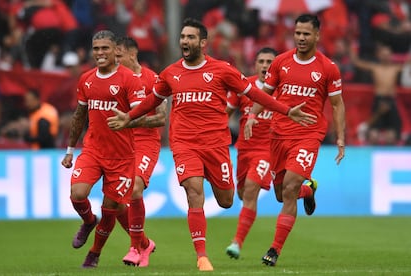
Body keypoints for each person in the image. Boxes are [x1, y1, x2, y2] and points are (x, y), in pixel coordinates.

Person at [107, 17, 317, 271]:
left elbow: (254, 94)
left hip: (216, 146)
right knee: (194, 192)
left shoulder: (222, 70)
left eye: (190, 37)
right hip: (184, 144)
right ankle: (202, 256)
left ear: (203, 42)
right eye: (183, 36)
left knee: (228, 200)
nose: (185, 41)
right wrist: (129, 116)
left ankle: (305, 190)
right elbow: (152, 100)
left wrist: (286, 110)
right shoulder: (171, 73)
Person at [244, 13, 345, 267]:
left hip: (308, 135)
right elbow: (265, 93)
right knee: (281, 194)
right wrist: (252, 116)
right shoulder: (280, 63)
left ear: (317, 36)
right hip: (278, 134)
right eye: (298, 33)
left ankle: (274, 250)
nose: (300, 37)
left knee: (288, 189)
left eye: (306, 33)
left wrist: (341, 138)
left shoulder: (328, 68)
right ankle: (308, 190)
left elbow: (337, 104)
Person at [61, 30, 144, 268]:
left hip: (121, 156)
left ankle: (94, 253)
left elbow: (141, 113)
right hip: (93, 150)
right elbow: (79, 115)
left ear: (115, 51)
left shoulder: (129, 79)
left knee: (110, 208)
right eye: (96, 48)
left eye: (105, 48)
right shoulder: (86, 79)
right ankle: (88, 221)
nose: (100, 53)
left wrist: (127, 119)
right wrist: (69, 149)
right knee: (78, 194)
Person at [114, 36, 167, 267]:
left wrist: (130, 122)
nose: (114, 61)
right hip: (119, 144)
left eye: (119, 56)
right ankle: (144, 244)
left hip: (145, 142)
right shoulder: (114, 80)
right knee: (115, 201)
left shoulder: (153, 79)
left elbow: (161, 118)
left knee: (135, 188)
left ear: (132, 55)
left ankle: (134, 248)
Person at [224, 47, 277, 259]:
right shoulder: (244, 86)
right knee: (243, 193)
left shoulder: (281, 89)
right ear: (255, 64)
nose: (265, 65)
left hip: (268, 149)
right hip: (243, 150)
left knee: (252, 189)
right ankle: (306, 190)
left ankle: (236, 242)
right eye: (262, 61)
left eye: (270, 62)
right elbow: (225, 114)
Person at [350, 43, 403, 145]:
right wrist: (351, 46)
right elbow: (356, 62)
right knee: (373, 134)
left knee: (392, 135)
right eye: (383, 54)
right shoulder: (375, 68)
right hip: (379, 100)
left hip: (391, 101)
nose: (386, 57)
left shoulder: (396, 68)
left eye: (388, 54)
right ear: (379, 56)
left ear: (391, 55)